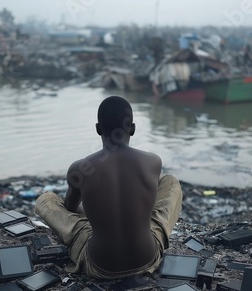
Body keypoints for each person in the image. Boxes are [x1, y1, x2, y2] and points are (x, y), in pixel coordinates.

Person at [34, 96, 182, 279]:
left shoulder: (80, 168)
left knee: (46, 199)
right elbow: (147, 201)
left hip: (100, 265)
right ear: (133, 129)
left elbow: (70, 208)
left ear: (98, 129)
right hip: (147, 259)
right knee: (171, 182)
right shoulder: (153, 161)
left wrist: (100, 216)